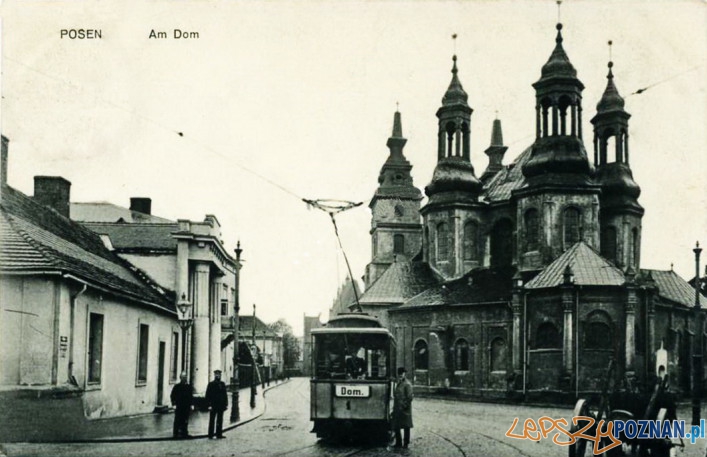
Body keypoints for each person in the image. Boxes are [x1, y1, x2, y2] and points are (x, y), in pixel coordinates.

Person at [392, 367, 413, 448]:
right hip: (398, 408)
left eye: (402, 373)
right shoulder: (399, 383)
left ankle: (406, 443)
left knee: (406, 426)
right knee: (397, 425)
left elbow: (409, 397)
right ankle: (398, 442)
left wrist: (404, 406)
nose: (400, 375)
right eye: (399, 373)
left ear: (405, 374)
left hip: (405, 409)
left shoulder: (407, 384)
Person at [205, 369, 229, 439]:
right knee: (212, 420)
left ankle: (219, 434)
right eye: (217, 374)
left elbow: (225, 395)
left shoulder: (222, 384)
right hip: (213, 405)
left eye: (219, 374)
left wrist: (226, 404)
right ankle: (210, 434)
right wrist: (209, 405)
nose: (218, 376)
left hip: (221, 405)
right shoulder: (211, 384)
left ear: (220, 375)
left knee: (220, 420)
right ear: (215, 375)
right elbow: (208, 395)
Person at [170, 371, 193, 439]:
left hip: (186, 406)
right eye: (183, 377)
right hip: (179, 406)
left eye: (185, 377)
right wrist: (174, 404)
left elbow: (191, 396)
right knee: (177, 420)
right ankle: (175, 434)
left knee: (185, 420)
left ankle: (184, 433)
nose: (184, 378)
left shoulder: (188, 387)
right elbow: (172, 395)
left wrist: (191, 404)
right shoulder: (177, 387)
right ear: (180, 378)